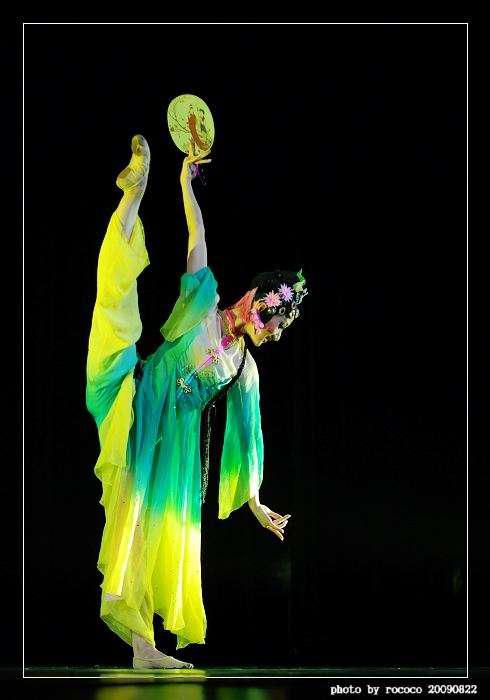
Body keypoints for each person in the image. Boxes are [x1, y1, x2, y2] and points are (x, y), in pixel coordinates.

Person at [86, 134, 308, 670]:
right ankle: (132, 196)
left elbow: (247, 440)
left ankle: (143, 648)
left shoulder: (245, 370)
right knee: (117, 304)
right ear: (259, 303)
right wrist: (185, 184)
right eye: (278, 322)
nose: (276, 334)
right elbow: (197, 236)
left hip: (177, 450)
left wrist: (255, 502)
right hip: (145, 403)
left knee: (152, 533)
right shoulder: (204, 303)